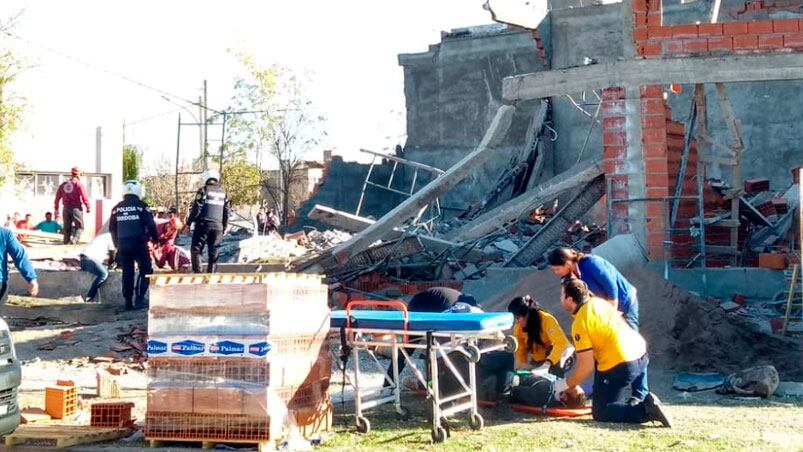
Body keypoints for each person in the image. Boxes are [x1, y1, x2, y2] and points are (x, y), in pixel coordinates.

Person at [553, 278, 671, 428]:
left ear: (570, 300)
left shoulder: (580, 323)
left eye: (561, 296)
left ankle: (646, 410)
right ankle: (636, 400)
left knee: (601, 412)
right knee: (603, 386)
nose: (560, 299)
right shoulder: (598, 302)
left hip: (622, 363)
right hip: (640, 354)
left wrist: (564, 384)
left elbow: (586, 366)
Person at [547, 248, 640, 329]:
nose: (556, 272)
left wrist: (612, 313)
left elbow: (611, 287)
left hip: (624, 301)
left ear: (567, 264)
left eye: (557, 269)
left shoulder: (592, 263)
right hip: (605, 309)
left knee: (630, 337)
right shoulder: (569, 277)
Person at [109, 180, 158, 310]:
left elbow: (112, 229)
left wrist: (117, 245)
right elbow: (151, 224)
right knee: (146, 269)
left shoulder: (116, 208)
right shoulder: (141, 206)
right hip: (138, 243)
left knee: (127, 272)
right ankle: (140, 298)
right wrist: (156, 239)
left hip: (123, 244)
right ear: (138, 191)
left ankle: (128, 302)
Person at [507, 295, 573, 377]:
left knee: (555, 382)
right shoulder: (518, 328)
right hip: (538, 361)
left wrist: (547, 364)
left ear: (527, 314)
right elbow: (521, 351)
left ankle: (558, 382)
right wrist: (521, 368)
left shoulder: (546, 320)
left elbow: (561, 344)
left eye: (518, 317)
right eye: (515, 318)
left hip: (557, 356)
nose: (517, 321)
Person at [186, 169, 230, 273]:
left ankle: (198, 274)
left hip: (203, 224)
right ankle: (211, 276)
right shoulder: (224, 193)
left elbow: (197, 208)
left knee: (196, 250)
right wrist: (224, 226)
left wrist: (189, 223)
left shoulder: (203, 190)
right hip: (218, 226)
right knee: (213, 252)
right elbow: (226, 211)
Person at [0, 227, 39, 306]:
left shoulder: (5, 234)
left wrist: (31, 278)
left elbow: (20, 256)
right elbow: (20, 256)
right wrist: (31, 279)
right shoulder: (4, 233)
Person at [54, 167, 91, 244]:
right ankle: (74, 240)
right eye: (80, 174)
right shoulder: (78, 184)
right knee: (80, 227)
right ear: (78, 175)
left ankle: (66, 242)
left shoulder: (63, 184)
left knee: (67, 228)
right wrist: (88, 207)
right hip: (76, 208)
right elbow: (84, 197)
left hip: (66, 209)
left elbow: (57, 198)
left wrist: (56, 209)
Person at [79, 231, 115, 303]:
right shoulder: (111, 237)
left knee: (102, 271)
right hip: (89, 259)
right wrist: (112, 265)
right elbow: (112, 255)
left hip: (84, 260)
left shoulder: (104, 236)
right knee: (104, 274)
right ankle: (89, 297)